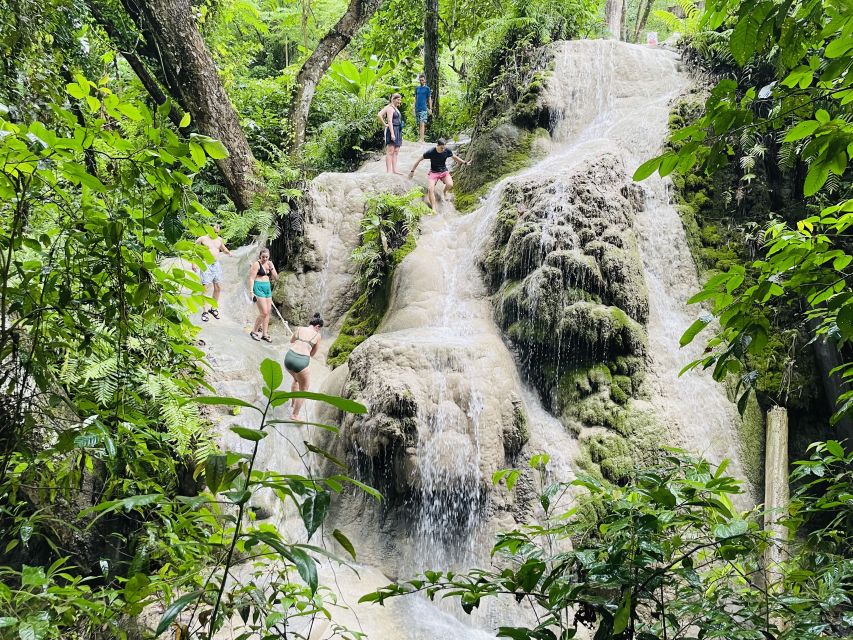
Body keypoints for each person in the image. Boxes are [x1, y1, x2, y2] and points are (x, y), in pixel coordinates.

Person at [408, 138, 471, 211]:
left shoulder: (446, 151)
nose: (443, 149)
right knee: (430, 189)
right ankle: (434, 209)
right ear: (437, 145)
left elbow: (455, 157)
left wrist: (465, 162)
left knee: (450, 184)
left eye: (444, 148)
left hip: (444, 172)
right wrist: (412, 171)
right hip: (434, 173)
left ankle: (444, 192)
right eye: (441, 148)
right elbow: (418, 160)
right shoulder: (431, 152)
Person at [284, 313, 324, 421]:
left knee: (296, 380)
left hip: (288, 358)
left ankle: (293, 404)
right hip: (300, 361)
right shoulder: (317, 335)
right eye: (319, 329)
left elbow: (291, 341)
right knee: (304, 389)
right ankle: (295, 415)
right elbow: (312, 353)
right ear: (317, 327)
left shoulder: (300, 328)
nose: (318, 331)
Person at [195, 223, 233, 322]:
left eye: (218, 230)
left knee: (218, 287)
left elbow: (223, 249)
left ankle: (213, 308)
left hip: (216, 264)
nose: (217, 231)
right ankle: (204, 311)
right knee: (205, 287)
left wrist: (228, 252)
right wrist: (194, 263)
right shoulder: (202, 239)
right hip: (206, 264)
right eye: (215, 229)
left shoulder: (219, 240)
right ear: (210, 229)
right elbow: (194, 251)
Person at [248, 248, 278, 343]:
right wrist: (251, 292)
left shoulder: (269, 264)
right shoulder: (256, 264)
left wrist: (271, 267)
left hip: (267, 288)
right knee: (264, 312)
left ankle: (265, 334)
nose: (264, 258)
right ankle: (254, 331)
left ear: (269, 257)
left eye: (266, 257)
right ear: (260, 256)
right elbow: (251, 278)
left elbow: (276, 277)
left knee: (268, 312)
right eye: (263, 257)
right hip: (258, 287)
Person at [377, 93, 404, 174]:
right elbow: (389, 121)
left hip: (398, 130)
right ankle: (389, 171)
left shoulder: (396, 108)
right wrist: (391, 132)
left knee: (396, 151)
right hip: (392, 129)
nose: (399, 101)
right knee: (390, 151)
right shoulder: (390, 108)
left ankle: (395, 170)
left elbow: (379, 114)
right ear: (393, 99)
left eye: (400, 100)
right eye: (398, 100)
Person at [414, 74, 432, 144]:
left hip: (424, 108)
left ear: (425, 80)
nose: (421, 81)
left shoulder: (427, 89)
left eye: (422, 80)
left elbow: (429, 99)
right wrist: (413, 108)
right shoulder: (417, 88)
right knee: (419, 124)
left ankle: (422, 139)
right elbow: (415, 98)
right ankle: (420, 138)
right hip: (417, 108)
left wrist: (430, 108)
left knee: (422, 123)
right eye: (420, 80)